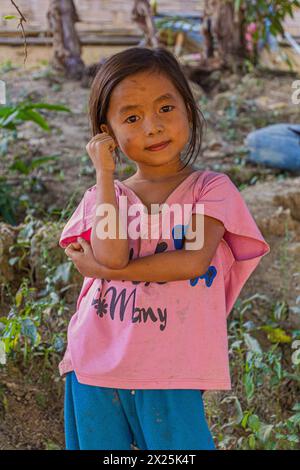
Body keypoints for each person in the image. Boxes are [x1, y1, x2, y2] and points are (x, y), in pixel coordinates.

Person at [59, 47, 270, 450]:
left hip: (172, 368)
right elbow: (112, 254)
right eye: (132, 118)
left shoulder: (209, 190)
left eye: (165, 108)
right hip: (95, 365)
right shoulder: (105, 197)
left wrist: (105, 274)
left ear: (188, 110)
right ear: (109, 133)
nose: (153, 127)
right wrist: (105, 174)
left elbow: (191, 261)